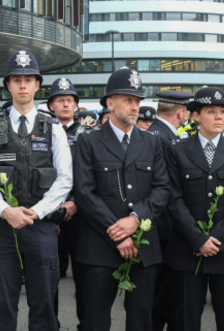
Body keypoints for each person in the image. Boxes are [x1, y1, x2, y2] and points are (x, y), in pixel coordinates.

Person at [0, 49, 72, 331]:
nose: (23, 85)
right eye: (17, 79)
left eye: (29, 79)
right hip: (1, 227)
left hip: (40, 226)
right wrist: (6, 211)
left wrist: (36, 213)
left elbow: (65, 179)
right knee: (1, 302)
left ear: (38, 84)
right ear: (8, 85)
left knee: (43, 304)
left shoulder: (53, 128)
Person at [73, 68, 171, 331]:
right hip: (99, 244)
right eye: (128, 99)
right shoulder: (89, 142)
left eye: (137, 101)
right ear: (109, 102)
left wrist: (136, 220)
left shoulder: (153, 142)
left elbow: (163, 189)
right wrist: (119, 232)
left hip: (143, 245)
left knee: (142, 319)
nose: (134, 106)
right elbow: (85, 192)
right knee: (95, 319)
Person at [166, 87, 224, 331]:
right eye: (211, 111)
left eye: (223, 111)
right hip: (187, 250)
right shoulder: (177, 150)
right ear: (195, 116)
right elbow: (173, 198)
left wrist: (217, 238)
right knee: (184, 320)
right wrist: (197, 239)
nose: (219, 116)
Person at [145, 90, 193, 331]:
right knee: (161, 295)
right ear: (181, 112)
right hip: (164, 229)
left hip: (157, 227)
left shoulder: (154, 133)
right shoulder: (163, 138)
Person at [46, 77, 90, 329]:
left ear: (75, 105)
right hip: (50, 213)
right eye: (60, 100)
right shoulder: (41, 132)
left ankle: (85, 323)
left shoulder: (88, 135)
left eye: (69, 100)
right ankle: (50, 323)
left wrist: (74, 203)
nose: (65, 104)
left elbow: (89, 175)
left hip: (80, 213)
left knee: (84, 277)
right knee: (49, 275)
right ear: (51, 105)